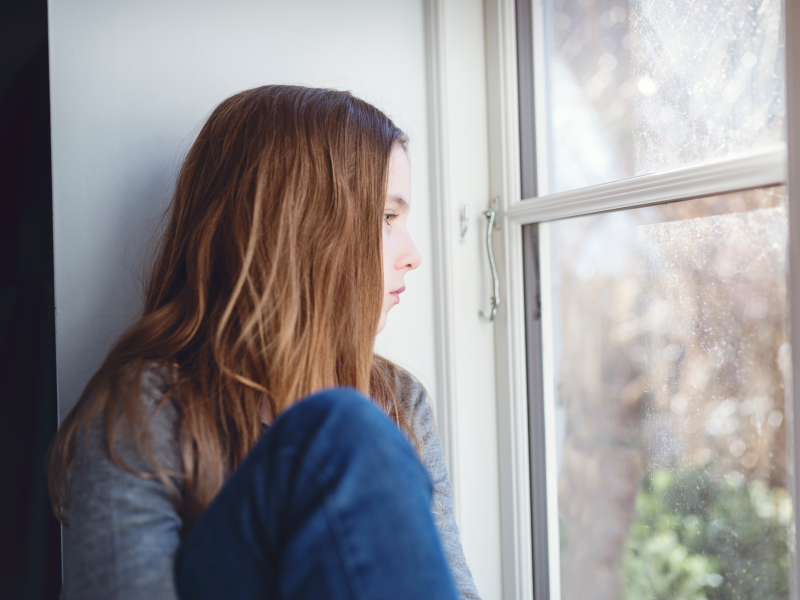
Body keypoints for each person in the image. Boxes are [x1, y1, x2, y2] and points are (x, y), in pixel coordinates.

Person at [48, 85, 481, 600]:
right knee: (341, 426)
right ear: (299, 226)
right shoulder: (147, 409)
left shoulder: (399, 400)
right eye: (387, 218)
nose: (412, 254)